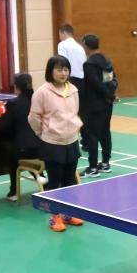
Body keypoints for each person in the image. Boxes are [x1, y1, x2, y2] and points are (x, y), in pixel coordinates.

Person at [28, 55, 84, 233]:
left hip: (71, 141)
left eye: (66, 69)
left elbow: (75, 112)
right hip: (52, 143)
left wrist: (74, 130)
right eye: (59, 69)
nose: (63, 73)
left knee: (69, 181)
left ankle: (67, 214)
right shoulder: (42, 92)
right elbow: (34, 117)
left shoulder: (73, 90)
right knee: (54, 182)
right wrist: (42, 133)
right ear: (50, 71)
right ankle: (55, 217)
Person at [0, 73, 41, 202]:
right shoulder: (38, 100)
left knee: (12, 153)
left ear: (16, 87)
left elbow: (5, 127)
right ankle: (41, 179)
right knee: (19, 149)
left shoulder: (14, 103)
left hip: (25, 150)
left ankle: (14, 191)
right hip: (42, 148)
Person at [80, 34, 116, 178]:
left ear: (85, 45)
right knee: (105, 132)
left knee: (92, 135)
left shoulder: (89, 64)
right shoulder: (106, 60)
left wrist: (108, 95)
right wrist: (111, 95)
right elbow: (113, 80)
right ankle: (105, 163)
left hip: (93, 105)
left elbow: (96, 84)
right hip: (107, 104)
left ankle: (93, 167)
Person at [57, 24, 86, 91]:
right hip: (81, 79)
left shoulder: (62, 45)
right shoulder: (80, 47)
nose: (59, 37)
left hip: (70, 79)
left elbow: (63, 61)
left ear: (63, 33)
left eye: (59, 34)